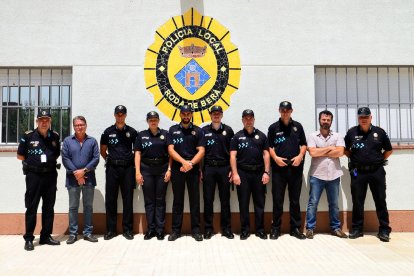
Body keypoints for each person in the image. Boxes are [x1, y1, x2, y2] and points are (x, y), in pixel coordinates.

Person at [345, 107, 393, 242]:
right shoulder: (351, 133)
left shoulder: (380, 132)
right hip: (358, 172)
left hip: (376, 171)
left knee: (380, 201)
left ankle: (384, 230)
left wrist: (378, 161)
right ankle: (357, 229)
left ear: (371, 117)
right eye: (361, 117)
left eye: (366, 117)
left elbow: (389, 150)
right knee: (357, 201)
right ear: (358, 118)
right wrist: (355, 160)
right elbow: (346, 150)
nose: (364, 119)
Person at [17, 109, 61, 251]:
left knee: (49, 207)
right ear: (37, 121)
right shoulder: (28, 136)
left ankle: (45, 236)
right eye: (41, 120)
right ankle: (29, 238)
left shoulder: (54, 136)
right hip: (34, 177)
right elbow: (20, 156)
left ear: (50, 121)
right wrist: (33, 164)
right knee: (32, 207)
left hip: (50, 176)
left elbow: (56, 154)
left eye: (46, 119)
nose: (44, 122)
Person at [305, 110, 348, 239]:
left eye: (328, 120)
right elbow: (312, 153)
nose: (325, 122)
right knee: (313, 202)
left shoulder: (337, 136)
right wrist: (330, 149)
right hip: (317, 175)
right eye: (323, 120)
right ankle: (310, 228)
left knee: (334, 203)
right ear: (319, 120)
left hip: (334, 175)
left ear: (331, 121)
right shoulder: (312, 136)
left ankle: (335, 228)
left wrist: (320, 151)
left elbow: (340, 152)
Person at [268, 101, 307, 240]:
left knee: (294, 200)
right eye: (283, 110)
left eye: (287, 110)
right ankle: (275, 228)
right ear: (279, 110)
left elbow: (303, 144)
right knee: (278, 200)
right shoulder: (273, 128)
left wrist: (300, 156)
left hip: (295, 167)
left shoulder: (298, 126)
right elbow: (270, 147)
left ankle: (295, 228)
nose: (285, 112)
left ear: (291, 111)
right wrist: (276, 158)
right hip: (279, 168)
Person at [230, 109, 270, 240]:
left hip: (259, 173)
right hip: (243, 173)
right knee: (243, 203)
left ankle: (260, 230)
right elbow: (233, 156)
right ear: (242, 120)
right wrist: (235, 174)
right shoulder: (237, 137)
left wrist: (266, 172)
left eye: (250, 118)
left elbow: (266, 154)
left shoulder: (262, 136)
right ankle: (245, 230)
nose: (248, 120)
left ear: (254, 119)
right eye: (246, 118)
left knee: (259, 203)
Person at [168, 104, 205, 241]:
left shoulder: (198, 131)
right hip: (178, 168)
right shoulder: (173, 130)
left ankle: (196, 230)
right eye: (183, 114)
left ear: (191, 115)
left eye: (188, 114)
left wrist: (190, 163)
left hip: (193, 169)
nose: (186, 116)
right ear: (180, 115)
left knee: (194, 200)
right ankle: (176, 231)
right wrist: (183, 162)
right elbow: (171, 150)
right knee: (177, 200)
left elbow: (201, 150)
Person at [100, 105, 138, 240]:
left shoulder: (132, 132)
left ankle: (128, 230)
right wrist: (112, 160)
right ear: (114, 115)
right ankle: (111, 230)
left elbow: (137, 150)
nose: (120, 116)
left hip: (128, 169)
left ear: (126, 115)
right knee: (111, 199)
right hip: (112, 169)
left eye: (122, 114)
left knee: (128, 199)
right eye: (118, 114)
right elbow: (103, 151)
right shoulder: (107, 132)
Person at [62, 116, 100, 244]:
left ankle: (88, 233)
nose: (79, 127)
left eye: (81, 124)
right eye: (77, 125)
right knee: (73, 207)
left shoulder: (92, 141)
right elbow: (65, 159)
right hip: (72, 179)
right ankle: (73, 234)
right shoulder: (67, 141)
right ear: (73, 126)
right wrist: (77, 174)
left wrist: (83, 172)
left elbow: (96, 159)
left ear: (86, 125)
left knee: (88, 207)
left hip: (89, 178)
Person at [134, 111, 172, 241]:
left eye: (155, 119)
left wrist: (169, 169)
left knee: (160, 200)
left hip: (162, 169)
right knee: (149, 201)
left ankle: (160, 230)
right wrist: (138, 172)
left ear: (158, 121)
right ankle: (151, 229)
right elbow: (137, 154)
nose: (153, 121)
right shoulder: (141, 135)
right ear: (147, 121)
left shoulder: (166, 134)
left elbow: (170, 153)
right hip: (146, 170)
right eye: (150, 119)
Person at [202, 105, 234, 239]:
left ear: (222, 115)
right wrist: (200, 170)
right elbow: (200, 152)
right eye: (214, 113)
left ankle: (226, 229)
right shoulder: (203, 131)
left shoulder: (228, 130)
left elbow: (233, 153)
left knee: (225, 199)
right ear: (210, 115)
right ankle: (208, 229)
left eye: (218, 113)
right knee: (208, 199)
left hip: (224, 168)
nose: (216, 115)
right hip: (208, 168)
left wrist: (233, 170)